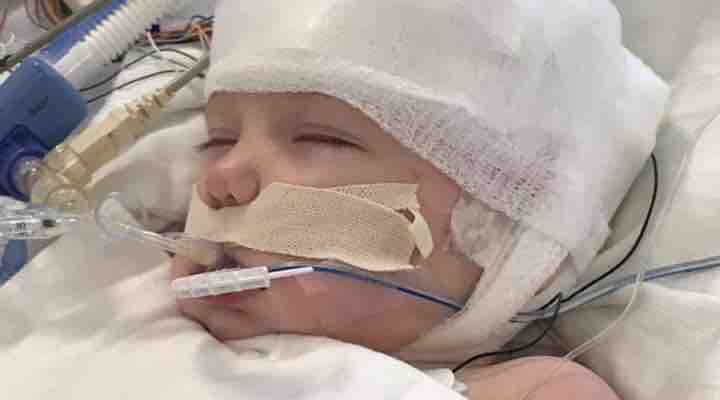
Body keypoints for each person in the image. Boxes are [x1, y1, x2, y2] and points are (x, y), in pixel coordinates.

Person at [171, 0, 668, 398]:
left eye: (322, 138)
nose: (220, 178)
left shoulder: (532, 390)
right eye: (218, 142)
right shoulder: (148, 307)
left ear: (500, 227)